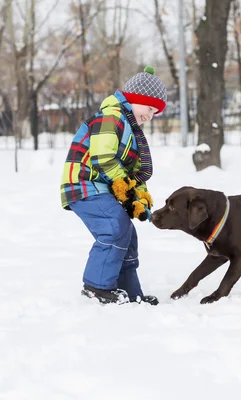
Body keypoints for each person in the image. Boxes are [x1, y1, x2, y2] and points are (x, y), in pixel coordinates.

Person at [60, 66, 166, 305]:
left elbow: (134, 174)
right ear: (135, 100)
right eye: (149, 108)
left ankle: (130, 293)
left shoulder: (131, 131)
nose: (150, 116)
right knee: (113, 227)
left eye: (155, 113)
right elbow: (103, 157)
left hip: (101, 187)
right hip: (84, 183)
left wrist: (138, 198)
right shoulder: (112, 116)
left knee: (127, 234)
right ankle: (97, 287)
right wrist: (124, 187)